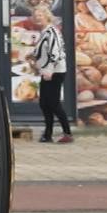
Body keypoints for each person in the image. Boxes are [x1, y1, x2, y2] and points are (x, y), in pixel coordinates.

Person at [31, 7, 73, 143]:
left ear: (47, 16)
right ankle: (48, 134)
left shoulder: (51, 31)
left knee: (53, 104)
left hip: (54, 72)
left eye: (41, 15)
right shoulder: (44, 31)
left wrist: (50, 70)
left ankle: (67, 133)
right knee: (44, 103)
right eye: (36, 15)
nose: (38, 17)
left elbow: (56, 52)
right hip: (47, 71)